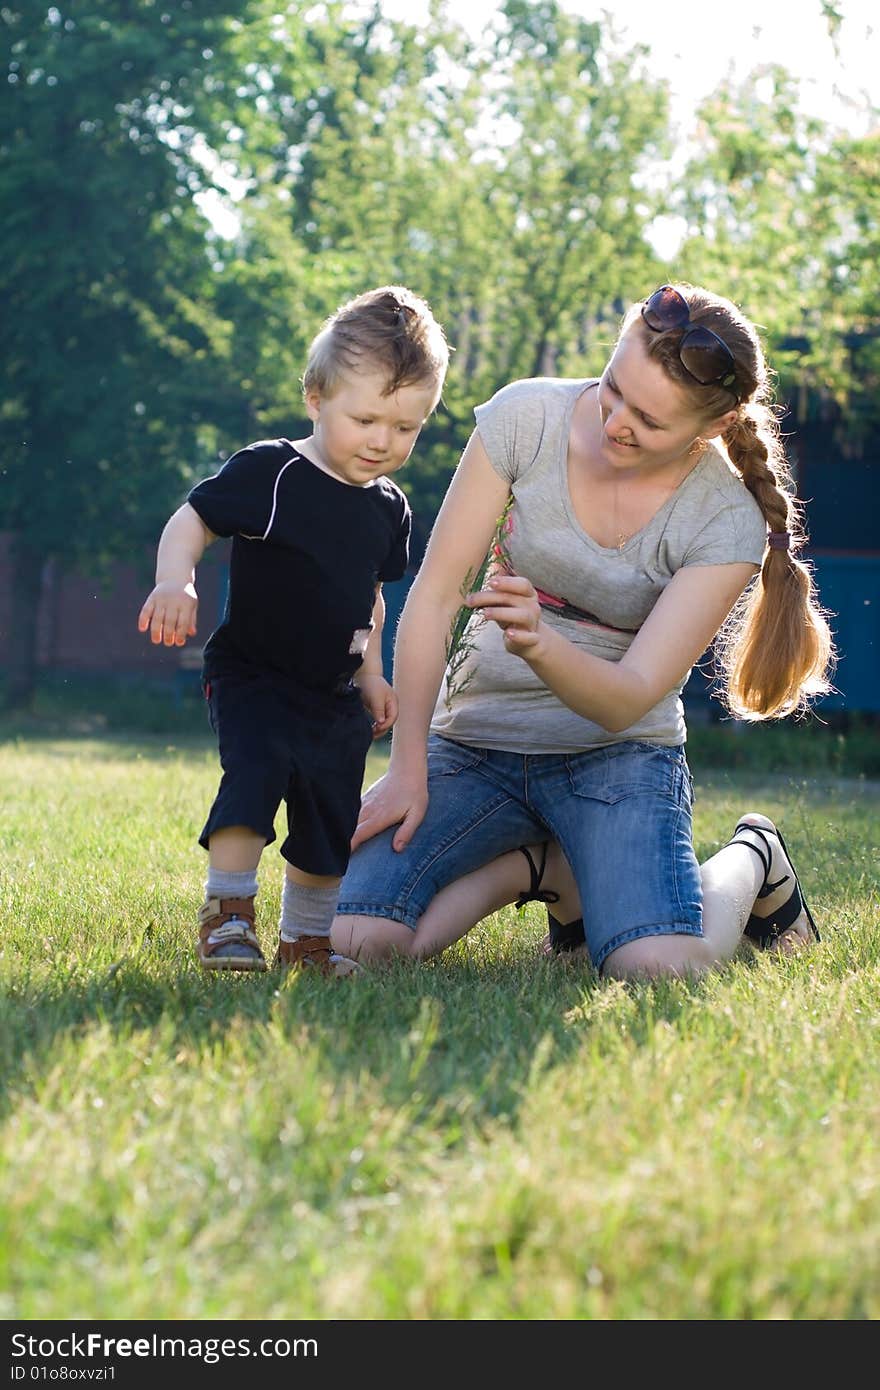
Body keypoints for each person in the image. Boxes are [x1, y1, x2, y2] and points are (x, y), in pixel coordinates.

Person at [330, 283, 833, 978]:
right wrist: (407, 767)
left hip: (616, 760)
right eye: (613, 389)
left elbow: (630, 697)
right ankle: (543, 866)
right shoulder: (523, 419)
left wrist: (540, 642)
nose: (615, 421)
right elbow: (435, 596)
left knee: (656, 966)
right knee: (353, 940)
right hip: (474, 746)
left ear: (710, 430)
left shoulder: (724, 518)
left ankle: (755, 856)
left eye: (649, 421)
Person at [137, 286, 449, 974]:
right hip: (253, 673)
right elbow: (194, 518)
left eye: (406, 427)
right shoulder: (272, 470)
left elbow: (368, 597)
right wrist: (174, 578)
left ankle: (306, 942)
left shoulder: (390, 508)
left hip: (333, 691)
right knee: (258, 772)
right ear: (316, 398)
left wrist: (370, 673)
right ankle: (228, 917)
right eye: (365, 418)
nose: (383, 441)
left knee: (329, 813)